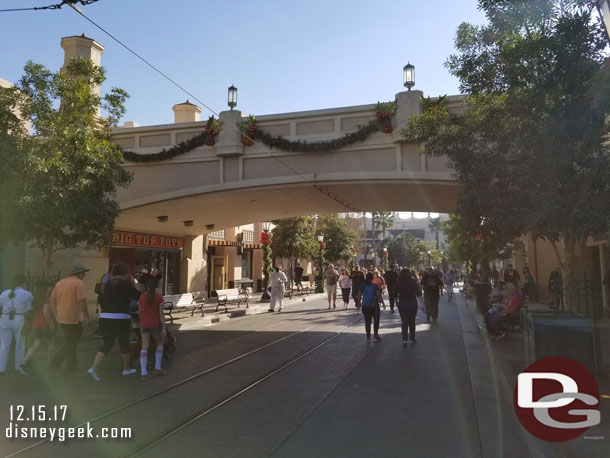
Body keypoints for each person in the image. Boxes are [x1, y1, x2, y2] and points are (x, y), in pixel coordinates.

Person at [87, 263, 140, 381]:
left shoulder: (108, 284)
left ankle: (94, 367)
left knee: (107, 343)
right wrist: (134, 284)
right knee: (124, 343)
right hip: (121, 317)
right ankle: (126, 369)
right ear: (126, 273)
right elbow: (139, 296)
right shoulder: (126, 284)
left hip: (105, 317)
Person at [49, 264, 90, 373]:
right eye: (83, 272)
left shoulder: (60, 283)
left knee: (71, 341)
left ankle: (71, 366)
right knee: (72, 343)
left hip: (62, 317)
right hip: (74, 318)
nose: (84, 275)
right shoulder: (79, 283)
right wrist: (86, 316)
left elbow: (52, 299)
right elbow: (82, 301)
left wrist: (55, 313)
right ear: (78, 273)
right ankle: (55, 363)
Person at [0, 276, 33, 375]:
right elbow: (29, 309)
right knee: (20, 343)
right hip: (19, 318)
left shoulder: (4, 293)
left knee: (4, 344)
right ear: (23, 283)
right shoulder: (27, 294)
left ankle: (1, 368)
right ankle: (18, 367)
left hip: (5, 318)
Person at [20, 283, 55, 373]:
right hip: (45, 324)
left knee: (36, 345)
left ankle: (23, 363)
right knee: (50, 345)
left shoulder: (38, 300)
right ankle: (49, 365)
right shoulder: (48, 299)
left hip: (36, 324)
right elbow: (46, 312)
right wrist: (51, 324)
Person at [138, 275, 167, 380]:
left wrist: (141, 321)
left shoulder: (141, 297)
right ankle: (157, 368)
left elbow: (140, 312)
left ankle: (143, 373)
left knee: (144, 347)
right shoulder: (159, 297)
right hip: (155, 324)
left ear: (146, 286)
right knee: (159, 344)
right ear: (156, 286)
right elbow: (161, 313)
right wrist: (163, 328)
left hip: (144, 324)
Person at [396, 269, 422, 344]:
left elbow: (394, 293)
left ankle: (404, 339)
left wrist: (396, 301)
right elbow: (419, 293)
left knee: (404, 321)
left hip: (402, 303)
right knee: (412, 321)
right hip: (412, 303)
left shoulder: (398, 282)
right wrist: (423, 304)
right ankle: (412, 338)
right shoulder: (413, 282)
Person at [360, 272, 381, 342]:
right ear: (372, 278)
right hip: (374, 306)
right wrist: (381, 303)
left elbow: (359, 294)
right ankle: (375, 335)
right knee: (376, 320)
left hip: (365, 306)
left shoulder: (362, 286)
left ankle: (368, 337)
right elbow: (378, 295)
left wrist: (358, 303)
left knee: (367, 321)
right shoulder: (375, 286)